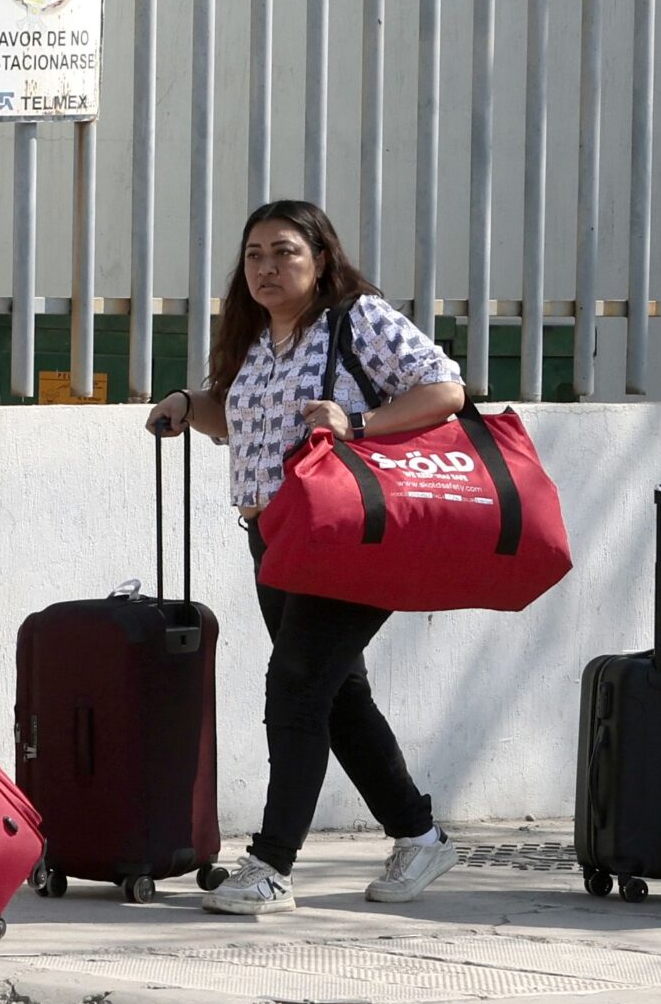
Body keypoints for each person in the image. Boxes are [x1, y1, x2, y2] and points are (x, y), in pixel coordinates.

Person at [147, 200, 469, 916]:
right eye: (254, 252)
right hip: (274, 537)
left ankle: (271, 864)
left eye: (284, 251)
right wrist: (186, 403)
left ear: (321, 257)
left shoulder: (358, 318)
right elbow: (232, 417)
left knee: (295, 683)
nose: (266, 266)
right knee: (335, 692)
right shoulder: (257, 337)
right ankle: (420, 834)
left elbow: (445, 388)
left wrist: (359, 422)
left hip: (347, 535)